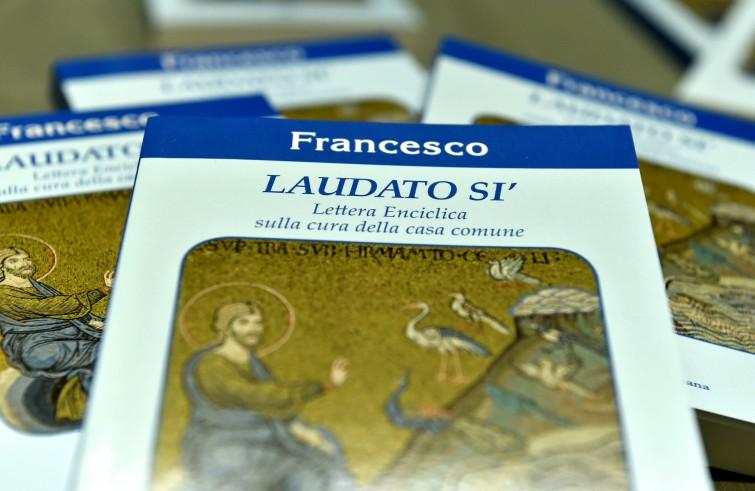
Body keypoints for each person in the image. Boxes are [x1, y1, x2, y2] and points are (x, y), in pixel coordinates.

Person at [182, 301, 354, 491]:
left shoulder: (255, 365)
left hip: (264, 435)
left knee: (324, 443)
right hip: (228, 440)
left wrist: (294, 427)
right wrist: (321, 386)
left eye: (258, 323)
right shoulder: (211, 366)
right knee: (308, 472)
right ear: (226, 327)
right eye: (243, 322)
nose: (253, 328)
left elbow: (273, 407)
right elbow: (259, 396)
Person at [0, 247, 111, 392]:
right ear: (2, 267)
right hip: (36, 343)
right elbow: (49, 306)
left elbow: (68, 313)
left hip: (71, 332)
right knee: (43, 356)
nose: (23, 263)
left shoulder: (38, 286)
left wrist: (92, 322)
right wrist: (101, 291)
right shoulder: (3, 293)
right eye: (14, 261)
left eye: (26, 259)